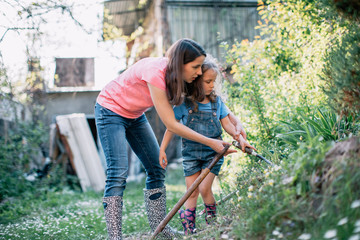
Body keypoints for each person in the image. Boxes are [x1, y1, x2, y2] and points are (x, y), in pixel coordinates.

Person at [95, 38, 244, 240]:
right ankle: (115, 237)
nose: (199, 72)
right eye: (196, 66)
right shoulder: (155, 72)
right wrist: (211, 142)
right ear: (180, 63)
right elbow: (172, 124)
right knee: (118, 172)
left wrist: (237, 123)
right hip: (110, 110)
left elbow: (213, 101)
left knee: (156, 168)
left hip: (134, 115)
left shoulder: (183, 78)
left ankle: (161, 227)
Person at [159, 55, 256, 235]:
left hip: (214, 154)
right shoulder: (184, 104)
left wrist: (238, 136)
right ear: (195, 82)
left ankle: (212, 222)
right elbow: (171, 127)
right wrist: (162, 149)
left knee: (204, 188)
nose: (212, 85)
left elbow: (227, 124)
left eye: (214, 81)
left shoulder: (216, 102)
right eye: (208, 81)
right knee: (192, 192)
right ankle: (190, 228)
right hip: (191, 155)